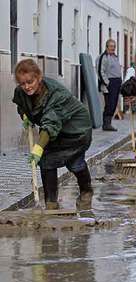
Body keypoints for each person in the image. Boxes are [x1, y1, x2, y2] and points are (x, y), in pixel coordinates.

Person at [12, 59, 93, 210]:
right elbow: (21, 104)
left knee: (74, 162)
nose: (27, 87)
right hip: (53, 131)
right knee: (46, 161)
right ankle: (51, 204)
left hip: (76, 130)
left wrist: (38, 148)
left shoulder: (55, 94)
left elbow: (50, 124)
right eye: (22, 84)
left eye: (30, 82)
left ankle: (86, 192)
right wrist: (25, 116)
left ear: (39, 77)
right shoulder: (21, 92)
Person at [96, 39, 122, 131]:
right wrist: (107, 83)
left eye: (114, 46)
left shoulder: (115, 56)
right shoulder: (103, 57)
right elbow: (100, 71)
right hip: (109, 84)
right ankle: (106, 124)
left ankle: (109, 123)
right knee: (109, 104)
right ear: (106, 47)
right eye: (111, 46)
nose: (113, 48)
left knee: (114, 104)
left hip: (116, 83)